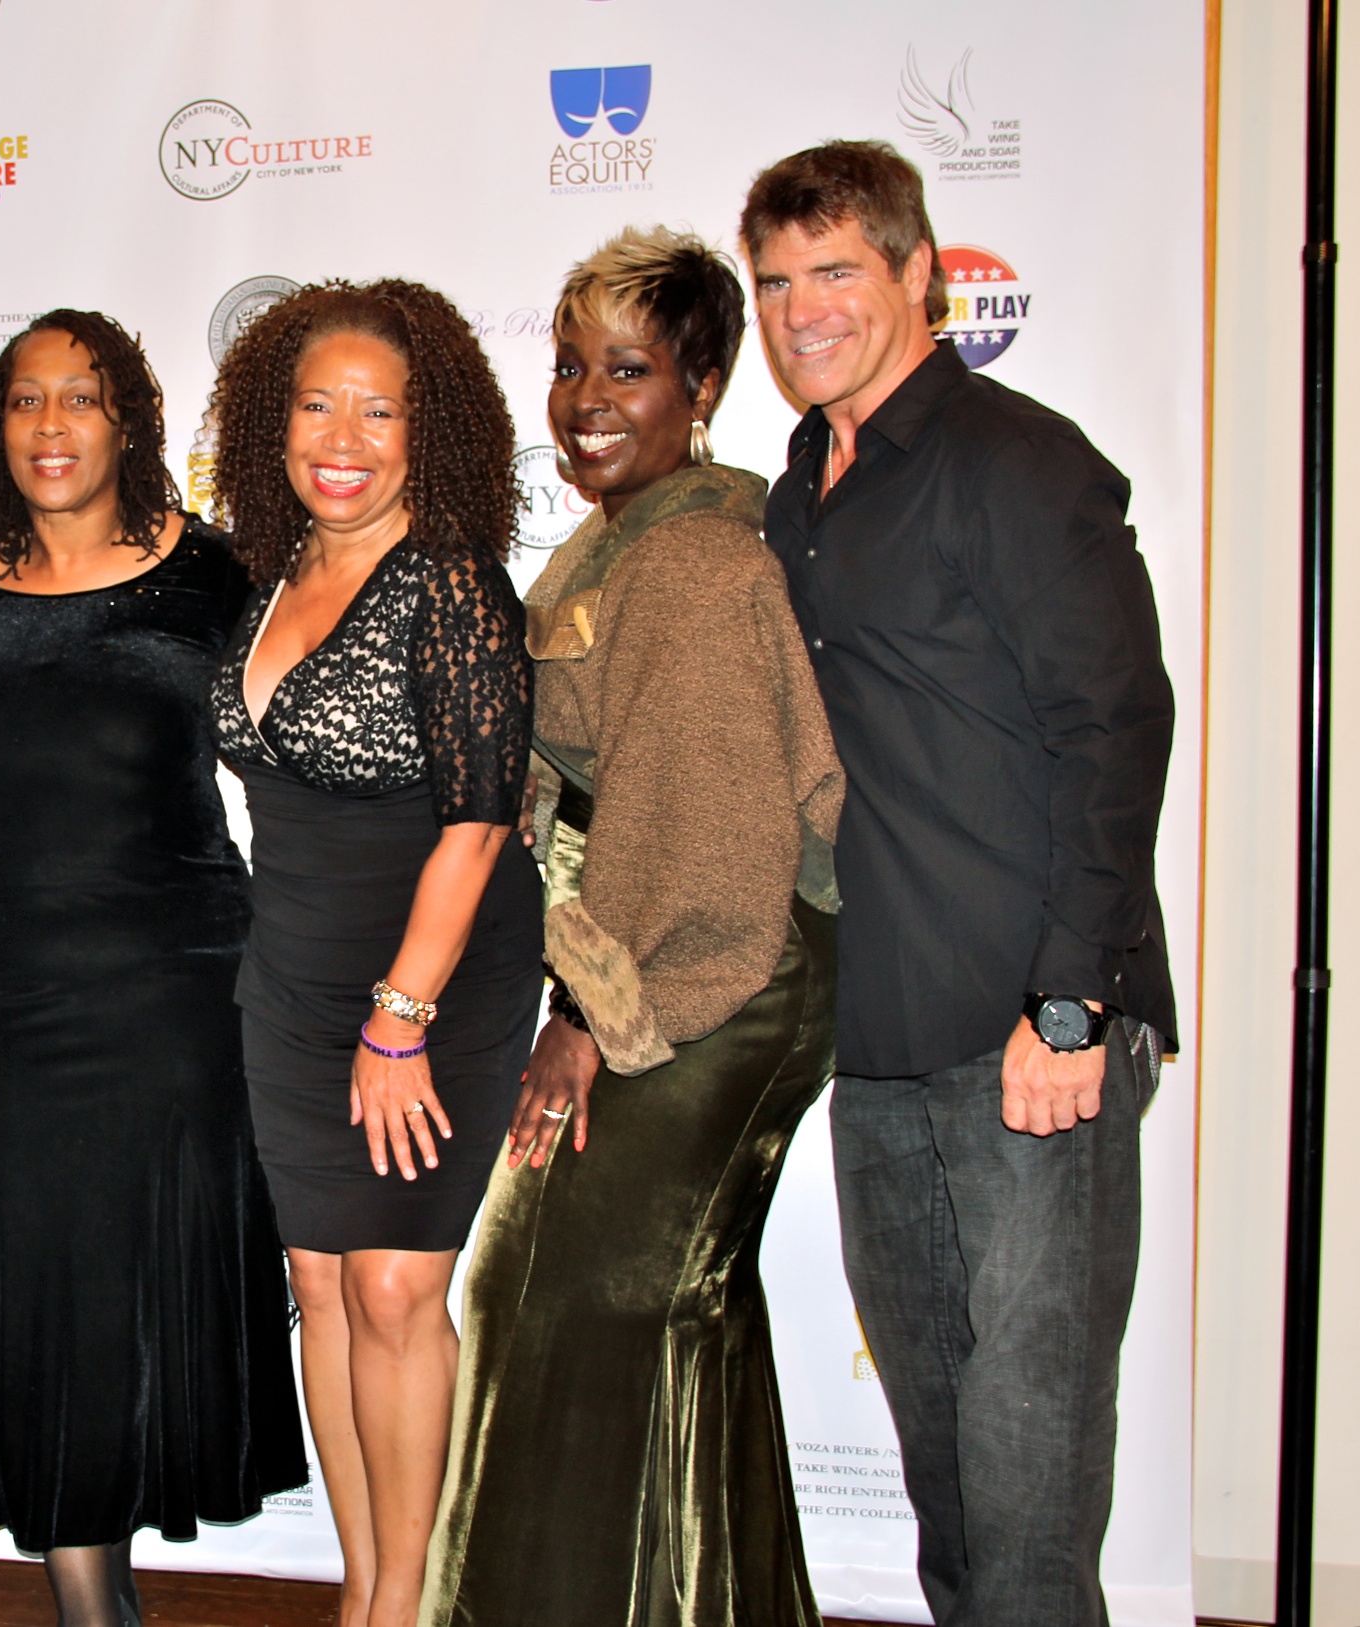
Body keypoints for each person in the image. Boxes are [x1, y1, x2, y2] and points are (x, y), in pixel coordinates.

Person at [743, 140, 1174, 1626]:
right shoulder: (799, 487)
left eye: (837, 271)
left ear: (921, 274)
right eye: (777, 281)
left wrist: (1070, 1004)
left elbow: (1117, 731)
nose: (803, 309)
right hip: (880, 1042)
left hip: (1032, 1036)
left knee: (1030, 1479)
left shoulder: (1016, 460)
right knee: (947, 1479)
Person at [419, 228, 844, 1626]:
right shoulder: (632, 539)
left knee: (540, 1298)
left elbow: (703, 839)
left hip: (703, 983)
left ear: (703, 385)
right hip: (681, 969)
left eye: (628, 368)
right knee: (674, 1323)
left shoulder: (699, 567)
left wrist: (590, 1020)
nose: (586, 397)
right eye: (568, 366)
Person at [0, 311, 309, 1627]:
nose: (49, 426)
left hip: (173, 994)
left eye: (78, 398)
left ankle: (109, 1590)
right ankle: (93, 1602)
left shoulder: (212, 579)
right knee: (39, 1300)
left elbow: (312, 765)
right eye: (24, 401)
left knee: (134, 1303)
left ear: (128, 421)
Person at [206, 280, 536, 1627]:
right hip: (289, 975)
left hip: (432, 977)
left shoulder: (449, 581)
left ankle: (407, 1603)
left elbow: (481, 821)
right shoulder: (268, 572)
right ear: (273, 422)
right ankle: (365, 1591)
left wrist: (401, 1017)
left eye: (379, 410)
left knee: (398, 1287)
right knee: (323, 1287)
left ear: (428, 430)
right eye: (316, 404)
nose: (342, 435)